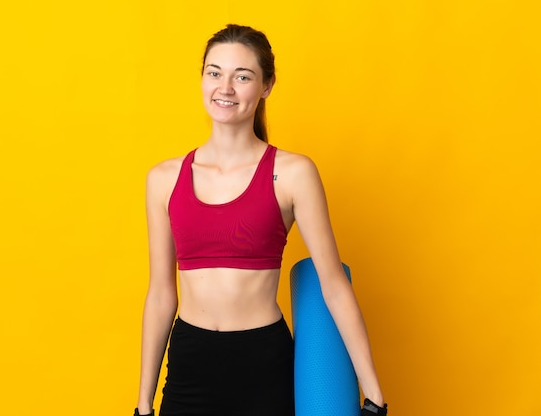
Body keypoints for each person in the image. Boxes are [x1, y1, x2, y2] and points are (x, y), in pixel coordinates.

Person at [135, 24, 387, 416]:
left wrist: (374, 396)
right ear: (202, 78)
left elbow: (333, 286)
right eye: (215, 72)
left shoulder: (292, 173)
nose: (226, 88)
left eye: (243, 76)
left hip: (263, 364)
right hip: (190, 363)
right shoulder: (163, 179)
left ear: (267, 85)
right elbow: (161, 295)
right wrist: (143, 404)